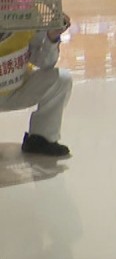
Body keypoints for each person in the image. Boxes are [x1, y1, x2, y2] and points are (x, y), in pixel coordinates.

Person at [0, 15, 74, 157]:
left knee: (61, 80)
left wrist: (51, 38)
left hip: (15, 88)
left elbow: (45, 63)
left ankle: (41, 139)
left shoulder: (25, 12)